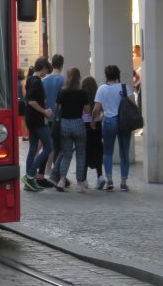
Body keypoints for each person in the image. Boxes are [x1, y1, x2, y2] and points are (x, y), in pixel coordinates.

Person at [93, 64, 139, 192]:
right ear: (118, 75)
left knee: (107, 152)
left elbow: (96, 109)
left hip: (109, 122)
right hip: (124, 122)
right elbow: (133, 105)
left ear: (106, 75)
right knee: (124, 152)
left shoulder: (102, 89)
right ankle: (123, 182)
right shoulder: (124, 88)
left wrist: (93, 120)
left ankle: (110, 181)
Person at [21, 57, 55, 191]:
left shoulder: (30, 80)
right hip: (37, 120)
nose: (46, 73)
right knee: (48, 147)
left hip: (30, 119)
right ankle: (30, 175)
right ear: (43, 68)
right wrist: (45, 111)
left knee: (33, 149)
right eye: (46, 69)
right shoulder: (36, 82)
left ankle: (29, 183)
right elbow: (31, 101)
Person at [54, 67, 89, 192]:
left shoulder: (62, 91)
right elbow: (86, 110)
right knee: (80, 154)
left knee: (66, 154)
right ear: (79, 78)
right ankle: (79, 183)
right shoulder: (82, 93)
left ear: (68, 78)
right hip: (78, 124)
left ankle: (62, 180)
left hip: (65, 124)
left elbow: (57, 107)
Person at [42, 54, 65, 181]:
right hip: (60, 117)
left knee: (49, 144)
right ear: (62, 65)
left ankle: (48, 168)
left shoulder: (44, 80)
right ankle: (55, 171)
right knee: (59, 146)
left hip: (47, 115)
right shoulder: (64, 80)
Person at [82, 75, 105, 190]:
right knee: (97, 149)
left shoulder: (82, 96)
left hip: (85, 126)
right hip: (97, 126)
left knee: (85, 151)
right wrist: (99, 118)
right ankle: (100, 175)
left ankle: (84, 178)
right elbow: (102, 111)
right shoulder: (98, 95)